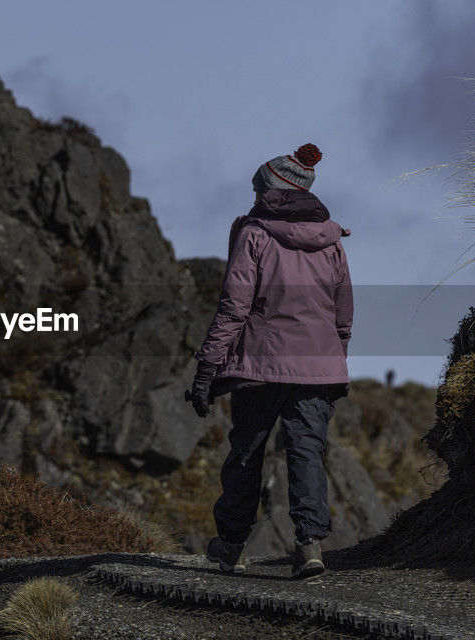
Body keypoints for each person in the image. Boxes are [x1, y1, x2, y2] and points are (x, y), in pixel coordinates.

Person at [186, 143, 353, 579]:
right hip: (318, 368)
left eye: (257, 186)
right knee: (307, 454)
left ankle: (234, 546)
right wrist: (335, 367)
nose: (253, 193)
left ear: (271, 190)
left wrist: (207, 368)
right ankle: (310, 546)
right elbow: (342, 317)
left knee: (246, 453)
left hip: (259, 365)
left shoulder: (254, 235)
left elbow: (233, 309)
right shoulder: (332, 242)